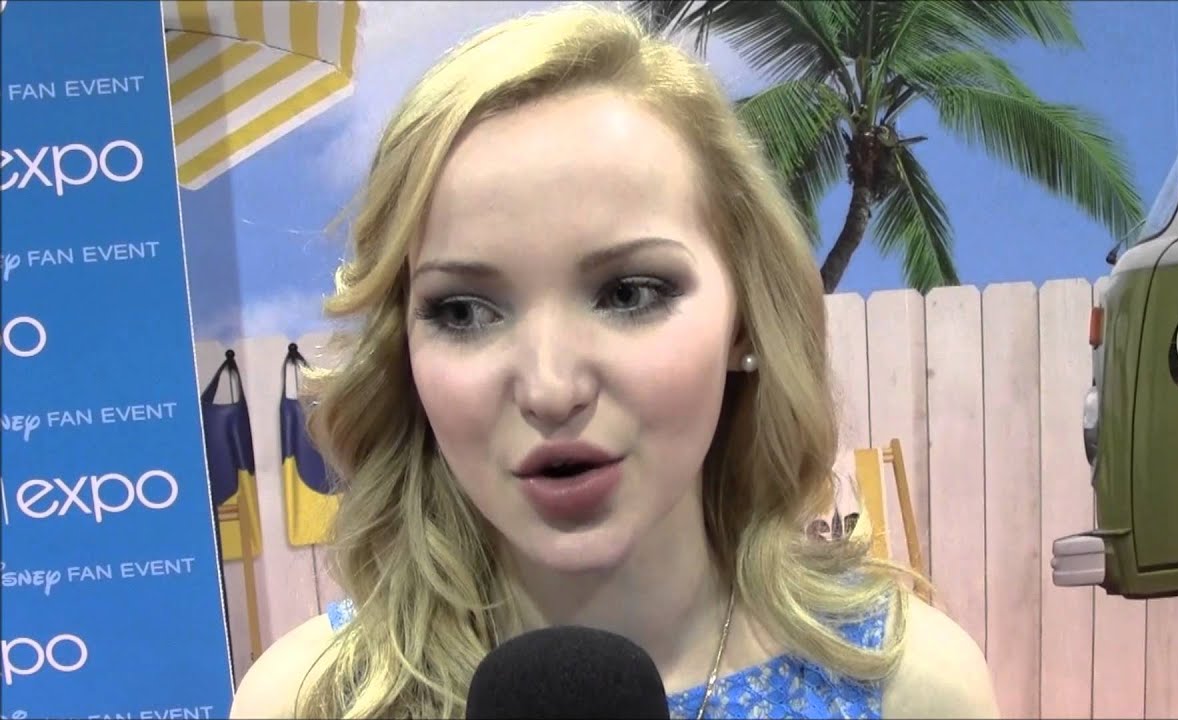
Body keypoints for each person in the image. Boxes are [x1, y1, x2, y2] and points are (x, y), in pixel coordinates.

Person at [229, 4, 999, 718]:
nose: (550, 387)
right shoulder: (307, 702)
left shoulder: (911, 689)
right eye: (463, 311)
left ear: (744, 319)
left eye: (629, 293)